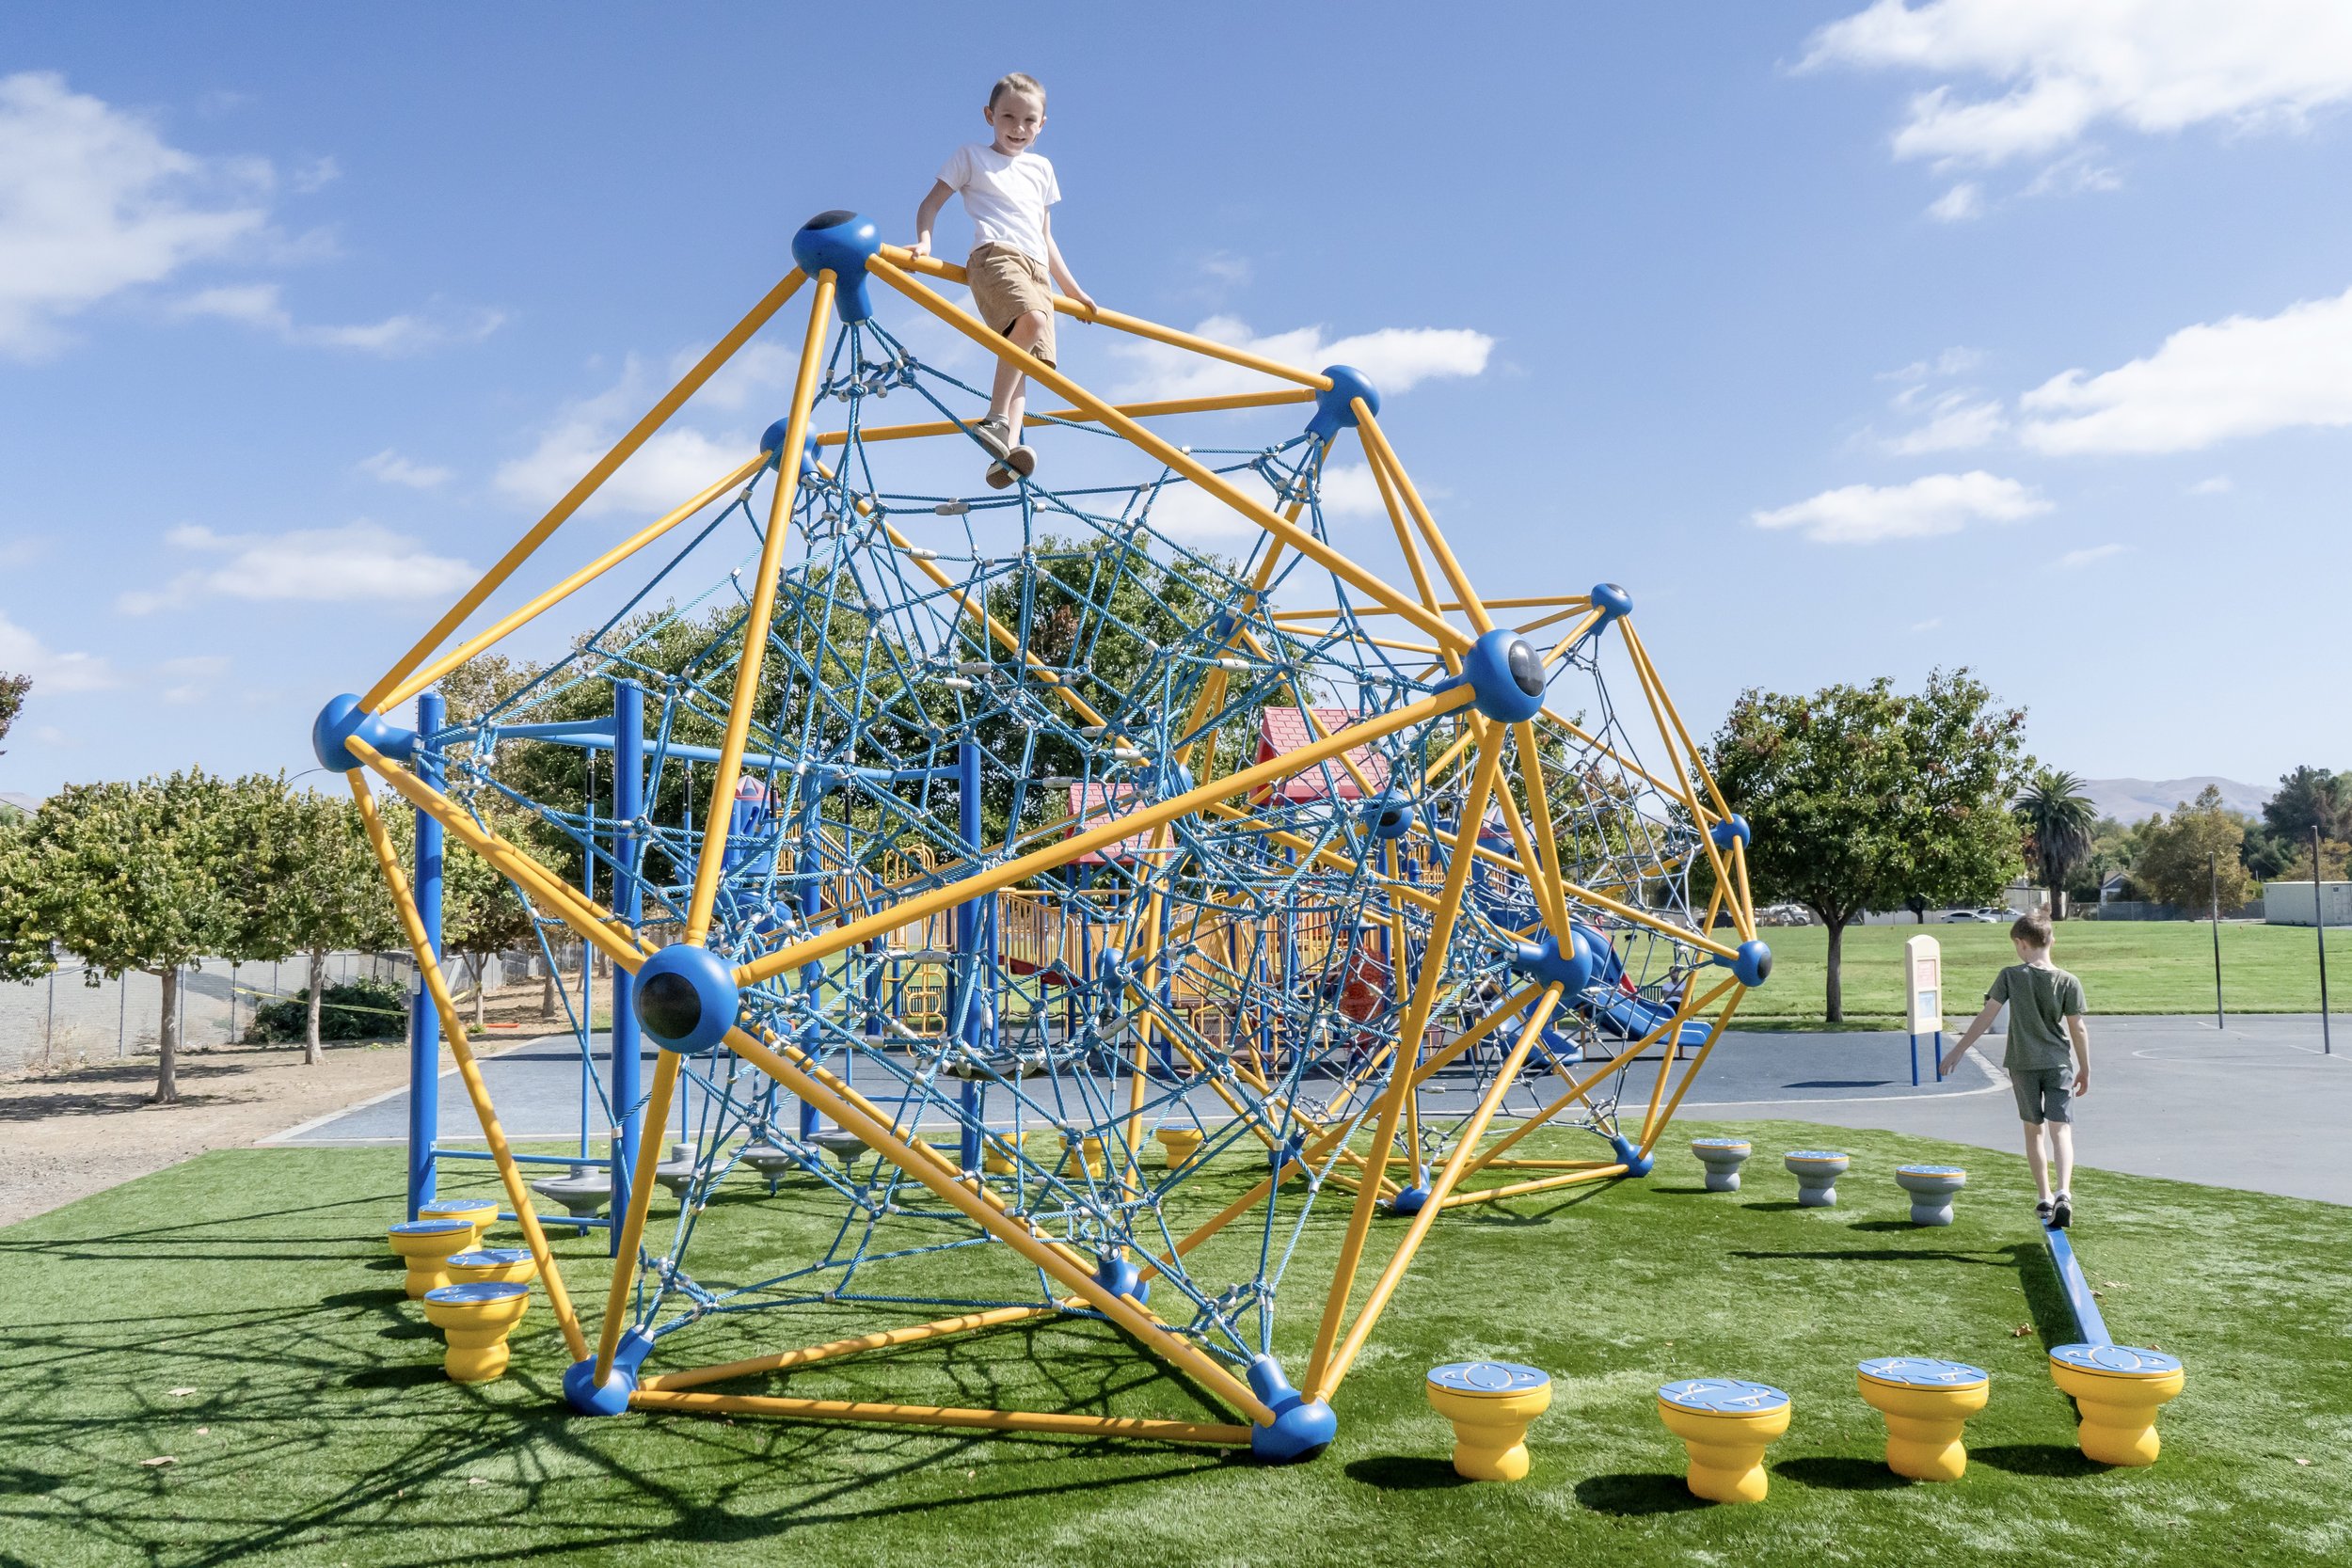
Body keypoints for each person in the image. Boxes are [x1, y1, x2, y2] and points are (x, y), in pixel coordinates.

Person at [912, 71, 1096, 489]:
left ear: (1042, 124)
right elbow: (930, 203)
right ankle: (995, 419)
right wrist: (924, 243)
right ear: (989, 115)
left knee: (1025, 358)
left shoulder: (1042, 169)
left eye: (1029, 120)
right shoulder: (972, 156)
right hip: (994, 255)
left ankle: (1005, 451)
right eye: (1008, 116)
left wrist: (1073, 290)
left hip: (1037, 268)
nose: (1018, 128)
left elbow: (1046, 237)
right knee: (1033, 321)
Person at [1941, 910, 2090, 1227]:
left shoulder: (2010, 976)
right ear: (2051, 940)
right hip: (2059, 1063)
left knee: (2033, 1131)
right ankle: (2064, 1191)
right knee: (2060, 1129)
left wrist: (1958, 1050)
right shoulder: (2068, 981)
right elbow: (2078, 1029)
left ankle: (2044, 1196)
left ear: (2022, 944)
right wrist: (2085, 1068)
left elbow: (1987, 1017)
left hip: (2022, 1065)